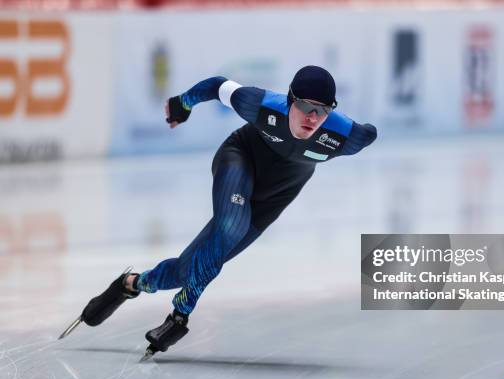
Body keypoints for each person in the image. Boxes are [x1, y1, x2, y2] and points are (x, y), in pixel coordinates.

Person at [59, 66, 377, 360]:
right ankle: (180, 313)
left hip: (272, 200)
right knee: (230, 227)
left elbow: (369, 132)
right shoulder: (261, 104)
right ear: (290, 101)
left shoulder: (346, 137)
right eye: (307, 106)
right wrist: (183, 103)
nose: (313, 117)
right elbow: (217, 85)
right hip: (240, 160)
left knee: (188, 270)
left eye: (323, 110)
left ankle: (131, 284)